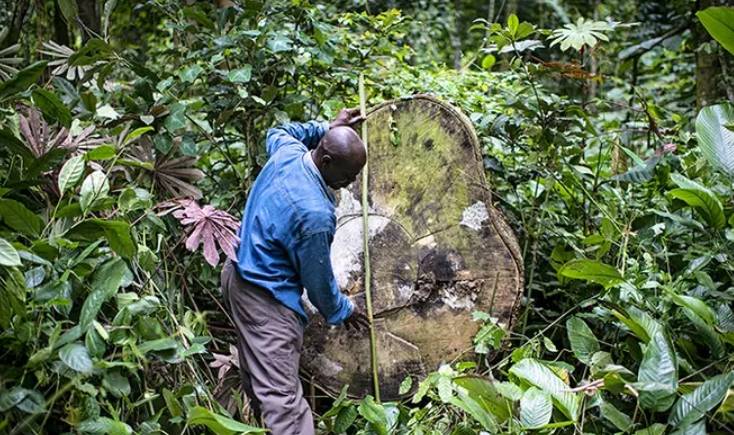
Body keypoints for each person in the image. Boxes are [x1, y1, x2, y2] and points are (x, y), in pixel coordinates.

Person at [221, 108, 370, 434]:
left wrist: (326, 127)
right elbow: (318, 282)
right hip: (266, 299)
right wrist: (345, 309)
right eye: (347, 176)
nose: (352, 182)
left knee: (259, 379)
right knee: (284, 403)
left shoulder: (288, 152)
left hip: (236, 276)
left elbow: (277, 131)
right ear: (326, 161)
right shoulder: (315, 215)